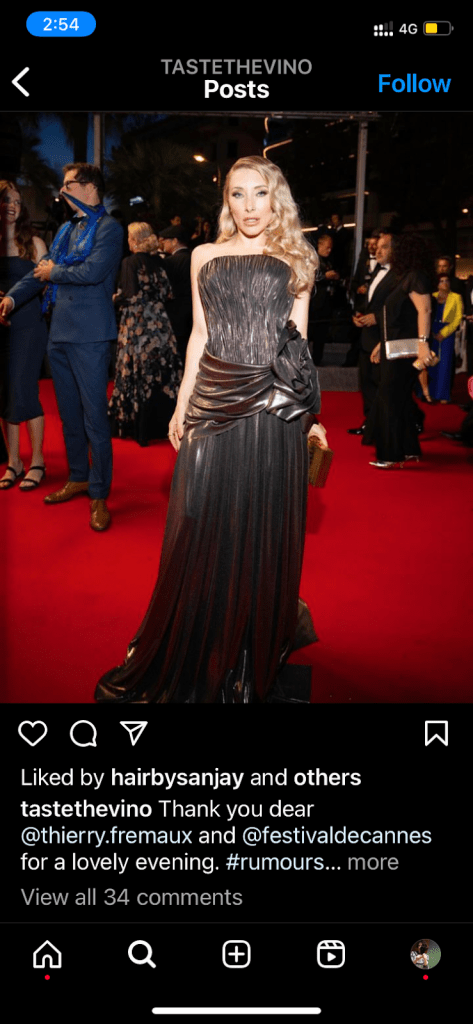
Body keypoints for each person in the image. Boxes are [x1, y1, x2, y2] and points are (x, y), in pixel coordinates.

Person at [95, 155, 325, 704]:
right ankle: (197, 638)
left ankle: (251, 642)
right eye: (238, 194)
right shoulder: (204, 255)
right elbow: (199, 335)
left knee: (260, 522)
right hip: (213, 401)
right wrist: (181, 406)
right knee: (200, 522)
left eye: (260, 194)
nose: (249, 206)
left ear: (278, 200)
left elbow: (299, 344)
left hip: (272, 406)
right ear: (227, 200)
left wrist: (310, 419)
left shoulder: (296, 257)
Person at [0, 163, 123, 530]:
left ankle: (99, 494)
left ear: (88, 187)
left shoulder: (109, 228)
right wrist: (12, 299)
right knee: (69, 416)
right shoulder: (67, 229)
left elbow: (92, 272)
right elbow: (38, 269)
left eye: (68, 183)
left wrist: (52, 273)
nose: (62, 189)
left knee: (94, 419)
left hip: (91, 335)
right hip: (60, 335)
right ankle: (79, 477)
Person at [362, 233, 433, 468]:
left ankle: (391, 454)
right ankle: (409, 449)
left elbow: (424, 311)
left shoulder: (415, 277)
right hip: (397, 347)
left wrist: (423, 343)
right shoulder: (406, 278)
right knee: (399, 400)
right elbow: (399, 318)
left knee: (389, 400)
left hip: (408, 350)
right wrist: (382, 344)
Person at [108, 222, 182, 446]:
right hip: (160, 325)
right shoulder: (160, 262)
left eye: (130, 237)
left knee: (136, 373)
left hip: (137, 325)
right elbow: (169, 293)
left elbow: (130, 295)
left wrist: (114, 298)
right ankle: (163, 425)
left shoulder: (130, 262)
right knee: (161, 372)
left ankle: (138, 428)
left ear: (135, 240)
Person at [0, 181, 48, 490]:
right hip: (0, 325)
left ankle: (38, 460)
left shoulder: (35, 243)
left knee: (23, 389)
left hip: (28, 325)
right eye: (6, 200)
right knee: (5, 393)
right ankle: (13, 461)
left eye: (17, 200)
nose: (12, 205)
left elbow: (42, 284)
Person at [348, 233, 396, 435]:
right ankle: (370, 422)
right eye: (377, 247)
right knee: (366, 381)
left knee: (386, 385)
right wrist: (358, 314)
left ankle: (410, 420)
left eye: (383, 247)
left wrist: (377, 317)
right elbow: (370, 299)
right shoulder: (375, 271)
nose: (378, 251)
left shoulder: (401, 275)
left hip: (387, 336)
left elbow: (400, 307)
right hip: (367, 335)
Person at [419, 274, 462, 403]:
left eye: (446, 281)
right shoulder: (432, 296)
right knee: (430, 362)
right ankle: (428, 392)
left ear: (449, 283)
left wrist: (444, 333)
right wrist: (429, 331)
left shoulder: (456, 297)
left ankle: (442, 395)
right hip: (431, 331)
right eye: (441, 281)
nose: (443, 283)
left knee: (445, 364)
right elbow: (425, 313)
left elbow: (457, 319)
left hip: (447, 333)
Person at [159, 225, 192, 360]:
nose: (163, 244)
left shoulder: (170, 262)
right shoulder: (194, 256)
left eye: (166, 241)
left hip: (176, 310)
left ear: (174, 241)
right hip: (193, 308)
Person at [308, 234, 339, 365]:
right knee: (308, 335)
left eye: (331, 248)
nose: (329, 250)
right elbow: (308, 278)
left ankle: (317, 361)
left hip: (326, 306)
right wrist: (325, 276)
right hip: (313, 306)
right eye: (327, 247)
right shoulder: (312, 260)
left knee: (321, 337)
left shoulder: (329, 262)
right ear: (319, 245)